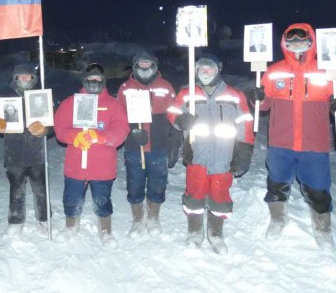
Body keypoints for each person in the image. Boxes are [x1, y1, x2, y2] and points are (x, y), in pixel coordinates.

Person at [249, 23, 336, 251]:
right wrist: (257, 98)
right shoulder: (274, 71)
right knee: (276, 184)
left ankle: (322, 228)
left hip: (313, 142)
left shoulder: (326, 70)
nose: (296, 45)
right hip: (280, 141)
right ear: (284, 44)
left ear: (311, 42)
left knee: (318, 188)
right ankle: (278, 219)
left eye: (301, 40)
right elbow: (263, 106)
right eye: (291, 41)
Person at [168, 53, 254, 254]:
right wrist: (180, 120)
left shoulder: (234, 95)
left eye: (210, 69)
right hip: (196, 156)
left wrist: (244, 152)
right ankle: (195, 232)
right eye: (202, 69)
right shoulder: (188, 92)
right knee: (194, 195)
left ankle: (215, 234)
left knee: (220, 196)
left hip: (223, 159)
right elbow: (172, 111)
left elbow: (246, 125)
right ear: (196, 71)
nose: (206, 73)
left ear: (218, 70)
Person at [53, 63, 130, 248]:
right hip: (76, 163)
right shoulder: (71, 102)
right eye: (90, 79)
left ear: (103, 82)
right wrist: (74, 136)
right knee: (72, 198)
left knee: (102, 200)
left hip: (102, 165)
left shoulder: (113, 104)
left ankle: (105, 230)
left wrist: (101, 137)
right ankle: (71, 225)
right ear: (84, 81)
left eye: (98, 80)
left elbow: (121, 130)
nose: (94, 82)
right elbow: (60, 127)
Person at [116, 50, 179, 238]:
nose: (145, 68)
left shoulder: (165, 87)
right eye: (141, 65)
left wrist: (175, 139)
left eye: (148, 65)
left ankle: (153, 217)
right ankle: (137, 218)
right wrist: (132, 132)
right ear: (134, 66)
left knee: (157, 183)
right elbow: (117, 117)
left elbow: (174, 113)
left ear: (155, 66)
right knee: (135, 183)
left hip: (159, 146)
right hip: (135, 147)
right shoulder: (126, 88)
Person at [0, 63, 51, 235]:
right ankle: (16, 220)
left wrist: (45, 129)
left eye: (28, 76)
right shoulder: (6, 97)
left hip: (37, 151)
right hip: (14, 151)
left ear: (34, 78)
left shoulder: (41, 96)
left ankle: (44, 218)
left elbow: (52, 123)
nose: (24, 79)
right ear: (15, 78)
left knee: (40, 187)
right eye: (20, 76)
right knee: (16, 187)